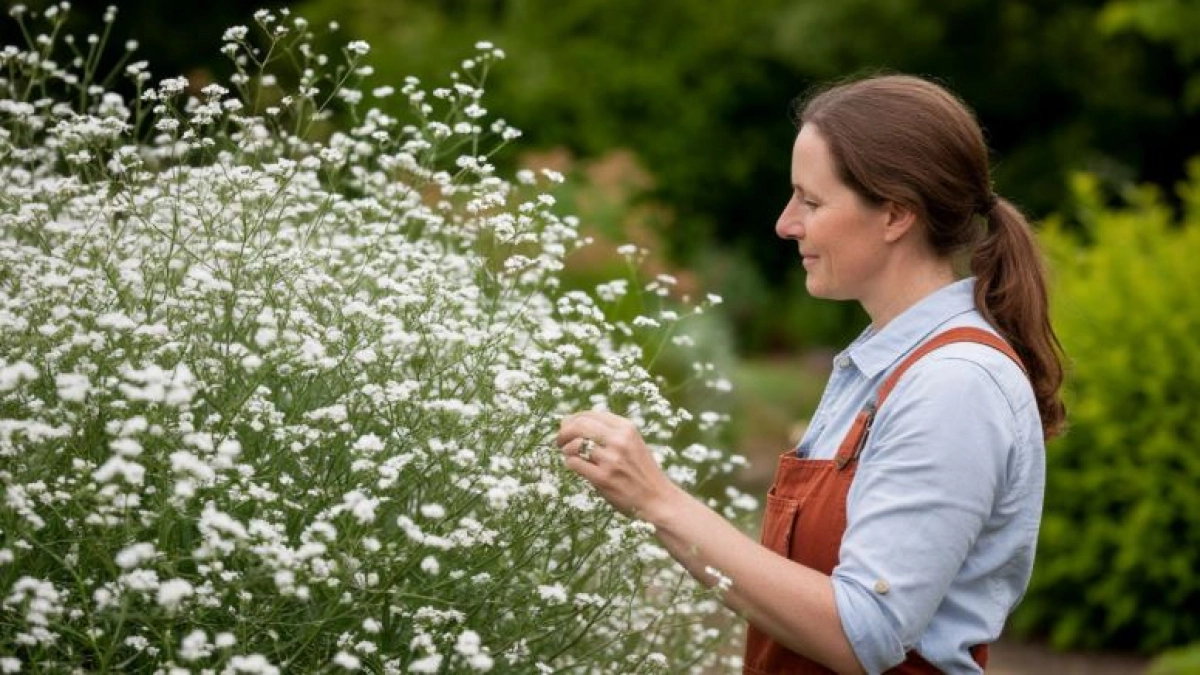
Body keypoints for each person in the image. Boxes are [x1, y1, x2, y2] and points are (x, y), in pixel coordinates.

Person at [556, 73, 1066, 674]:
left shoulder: (953, 384)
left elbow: (863, 632)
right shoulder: (878, 364)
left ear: (896, 214)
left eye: (811, 201)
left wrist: (657, 499)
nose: (785, 223)